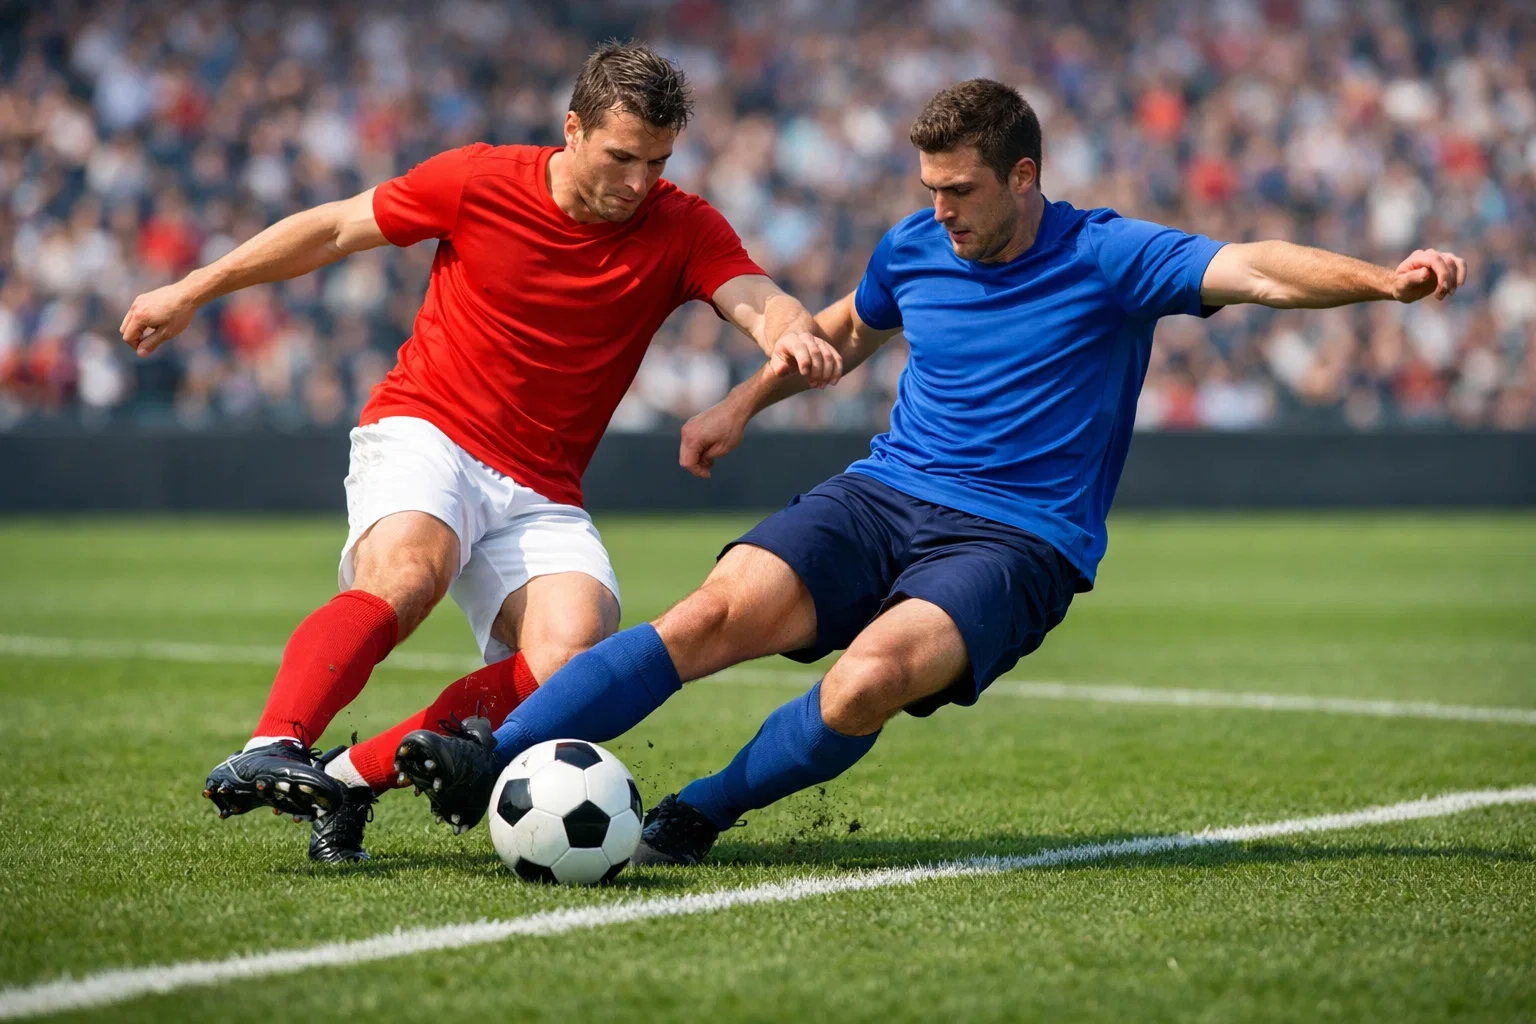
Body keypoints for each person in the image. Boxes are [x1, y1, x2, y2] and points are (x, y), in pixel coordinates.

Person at [396, 78, 1468, 866]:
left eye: (961, 190)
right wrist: (739, 402)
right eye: (930, 189)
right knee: (707, 617)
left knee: (864, 678)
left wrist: (1383, 281)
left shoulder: (1109, 255)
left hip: (1018, 540)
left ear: (1024, 177)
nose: (942, 210)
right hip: (882, 494)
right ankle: (493, 750)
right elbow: (845, 333)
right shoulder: (914, 246)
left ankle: (701, 812)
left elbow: (1258, 270)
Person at [118, 42, 842, 863]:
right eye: (621, 156)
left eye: (657, 161)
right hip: (428, 429)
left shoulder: (683, 224)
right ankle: (273, 742)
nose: (639, 181)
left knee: (569, 661)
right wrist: (191, 290)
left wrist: (790, 333)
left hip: (544, 486)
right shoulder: (480, 178)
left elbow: (757, 296)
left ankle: (349, 782)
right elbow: (330, 230)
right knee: (411, 574)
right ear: (572, 130)